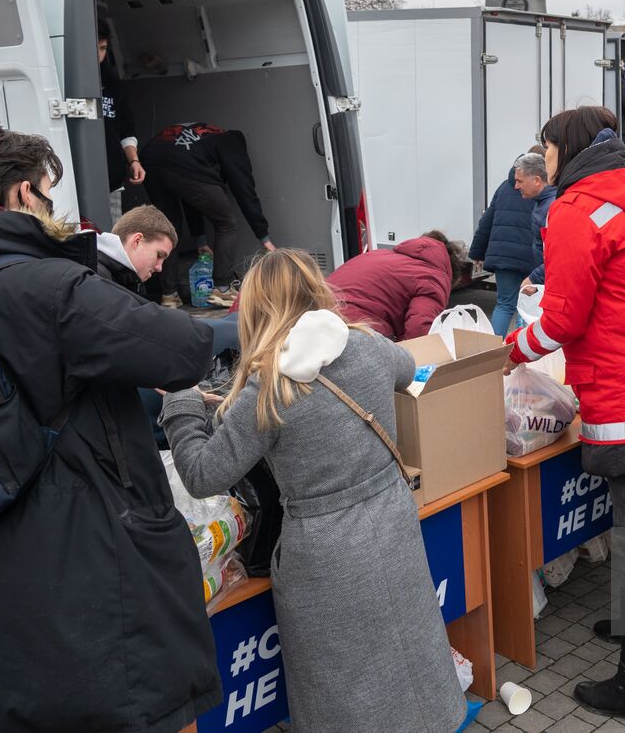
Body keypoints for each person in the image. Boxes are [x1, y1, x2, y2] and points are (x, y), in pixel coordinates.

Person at [0, 124, 217, 731]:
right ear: (24, 194)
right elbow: (182, 349)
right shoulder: (48, 285)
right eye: (50, 193)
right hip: (65, 601)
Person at [161, 249, 466, 732]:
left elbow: (201, 474)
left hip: (325, 555)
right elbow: (408, 370)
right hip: (392, 524)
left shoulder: (269, 389)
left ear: (256, 310)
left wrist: (180, 400)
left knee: (345, 685)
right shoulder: (367, 344)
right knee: (412, 652)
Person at [505, 107, 625, 721]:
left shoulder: (575, 209)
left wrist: (506, 353)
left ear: (565, 148)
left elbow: (564, 319)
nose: (545, 158)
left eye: (547, 147)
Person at [142, 123, 276, 307]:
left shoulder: (205, 140)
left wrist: (200, 241)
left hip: (150, 159)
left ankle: (169, 295)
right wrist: (264, 237)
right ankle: (223, 289)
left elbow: (191, 195)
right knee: (227, 222)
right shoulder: (232, 145)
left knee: (169, 229)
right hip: (176, 162)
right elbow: (244, 191)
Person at [328, 231, 473, 341]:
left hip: (317, 311)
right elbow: (419, 332)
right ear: (451, 271)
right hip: (354, 327)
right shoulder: (433, 277)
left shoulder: (381, 254)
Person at [469, 156, 539, 335]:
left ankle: (494, 354)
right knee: (528, 306)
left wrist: (477, 252)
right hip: (531, 257)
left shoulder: (504, 187)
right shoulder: (541, 189)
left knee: (505, 305)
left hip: (504, 256)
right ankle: (524, 351)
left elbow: (486, 221)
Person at [97, 21, 146, 204]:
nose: (99, 56)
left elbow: (126, 129)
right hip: (79, 179)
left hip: (113, 180)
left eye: (103, 48)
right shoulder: (68, 79)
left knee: (111, 231)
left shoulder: (112, 83)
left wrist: (134, 161)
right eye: (94, 48)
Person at [95, 203, 178, 295]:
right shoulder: (96, 279)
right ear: (137, 240)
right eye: (159, 255)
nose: (159, 268)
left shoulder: (124, 278)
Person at [517, 153, 556, 293]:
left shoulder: (550, 207)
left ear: (537, 181)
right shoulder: (542, 203)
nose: (516, 186)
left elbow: (557, 253)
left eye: (520, 181)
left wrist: (535, 278)